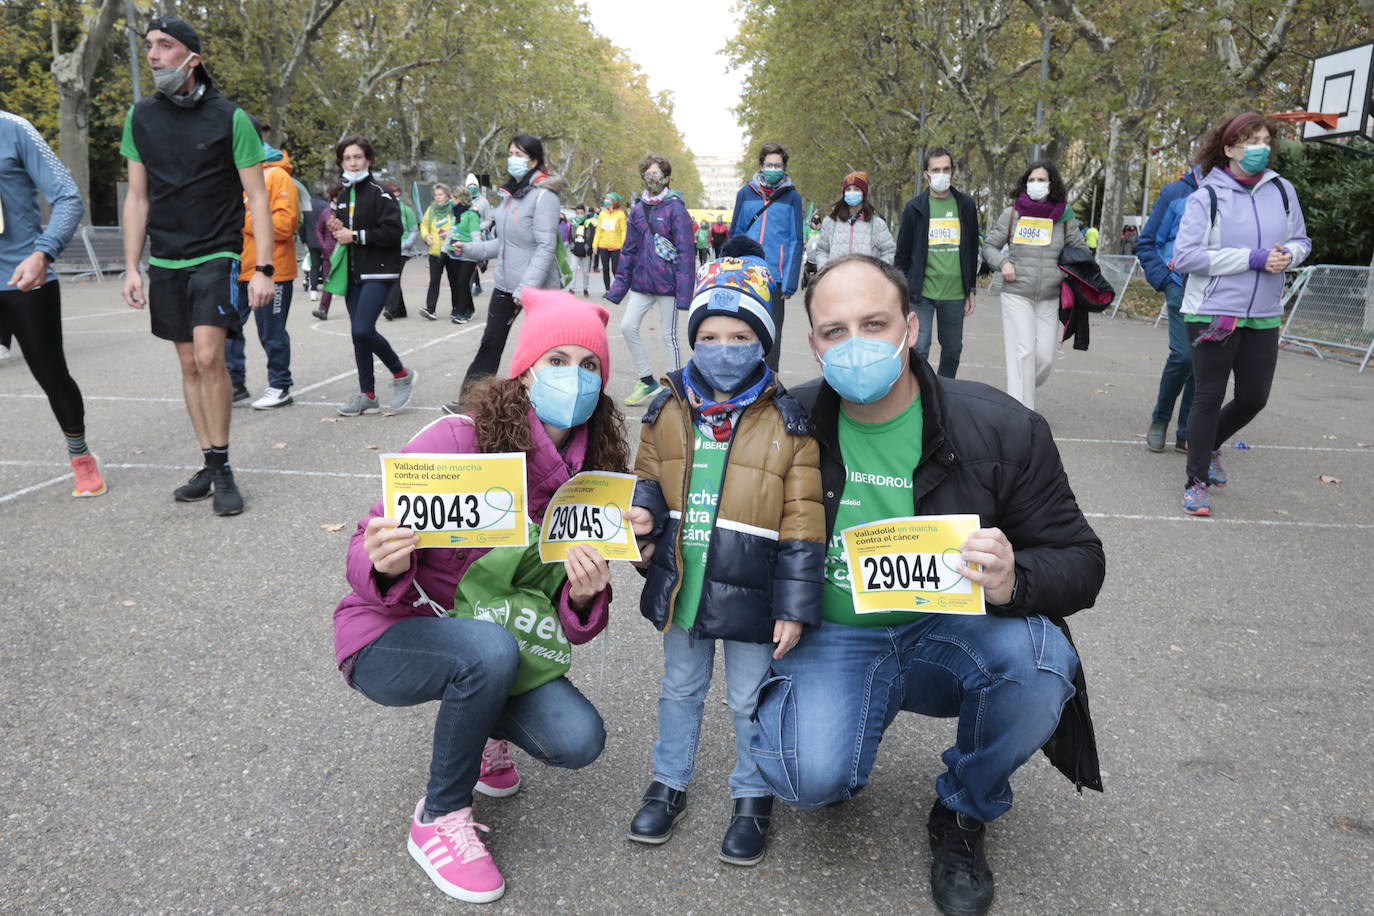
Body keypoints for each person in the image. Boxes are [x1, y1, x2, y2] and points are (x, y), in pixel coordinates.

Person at [752, 254, 1105, 916]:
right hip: (835, 635)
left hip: (953, 631)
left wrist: (1012, 578)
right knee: (809, 780)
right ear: (813, 345)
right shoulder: (784, 422)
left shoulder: (1001, 426)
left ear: (912, 328)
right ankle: (842, 711)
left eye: (875, 323)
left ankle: (965, 812)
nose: (855, 344)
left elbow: (1082, 559)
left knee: (1039, 664)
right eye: (835, 331)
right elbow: (728, 543)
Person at [335, 290, 626, 902]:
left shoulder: (595, 477)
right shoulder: (455, 440)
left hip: (497, 637)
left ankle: (485, 726)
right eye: (556, 360)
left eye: (589, 365)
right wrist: (384, 561)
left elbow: (571, 627)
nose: (573, 377)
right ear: (522, 373)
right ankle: (439, 817)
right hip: (391, 634)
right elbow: (365, 552)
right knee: (486, 650)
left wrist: (584, 597)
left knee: (578, 740)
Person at [625, 256, 824, 866]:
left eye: (740, 338)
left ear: (763, 341)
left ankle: (752, 793)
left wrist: (794, 606)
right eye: (709, 337)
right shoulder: (664, 409)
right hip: (683, 581)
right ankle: (669, 782)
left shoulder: (791, 422)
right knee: (680, 687)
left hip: (754, 590)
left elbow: (803, 521)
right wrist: (643, 522)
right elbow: (648, 482)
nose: (723, 349)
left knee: (748, 697)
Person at [120, 15, 275, 517]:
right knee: (188, 364)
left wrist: (265, 269)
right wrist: (130, 267)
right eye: (149, 46)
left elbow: (256, 195)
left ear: (193, 56)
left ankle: (225, 467)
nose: (153, 55)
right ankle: (209, 461)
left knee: (210, 358)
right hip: (165, 257)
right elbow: (137, 199)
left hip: (217, 251)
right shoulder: (139, 117)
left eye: (165, 46)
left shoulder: (231, 117)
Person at [1171, 111, 1309, 517]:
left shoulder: (1282, 191)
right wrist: (1252, 258)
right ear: (1229, 149)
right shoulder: (1206, 196)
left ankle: (1210, 445)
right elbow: (1187, 257)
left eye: (1265, 140)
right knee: (1209, 395)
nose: (1259, 148)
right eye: (1250, 141)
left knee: (1253, 397)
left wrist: (1290, 255)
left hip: (1264, 311)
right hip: (1214, 312)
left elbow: (1301, 239)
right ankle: (1196, 482)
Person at [1, 110, 104, 497]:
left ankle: (80, 457)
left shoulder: (14, 129)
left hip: (23, 276)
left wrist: (43, 253)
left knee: (51, 374)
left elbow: (67, 195)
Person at [448, 135, 564, 400]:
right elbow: (504, 243)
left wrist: (525, 288)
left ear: (534, 161)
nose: (513, 158)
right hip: (505, 283)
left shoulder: (545, 196)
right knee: (490, 343)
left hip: (539, 289)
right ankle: (470, 403)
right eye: (511, 153)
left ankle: (548, 402)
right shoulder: (510, 195)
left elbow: (545, 247)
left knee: (545, 350)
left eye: (520, 154)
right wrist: (468, 249)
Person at [980, 159, 1089, 409]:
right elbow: (989, 246)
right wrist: (1003, 263)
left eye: (1041, 180)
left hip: (1051, 295)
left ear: (1052, 184)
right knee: (1024, 353)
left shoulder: (1063, 216)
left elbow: (1080, 249)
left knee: (1044, 359)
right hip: (1017, 293)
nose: (1036, 184)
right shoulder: (1013, 213)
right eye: (1031, 180)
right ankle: (1022, 413)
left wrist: (1069, 270)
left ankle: (1022, 390)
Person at [324, 137, 417, 416]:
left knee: (363, 329)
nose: (353, 163)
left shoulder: (382, 192)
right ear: (341, 162)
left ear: (368, 160)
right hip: (352, 272)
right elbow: (346, 232)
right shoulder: (342, 194)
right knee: (358, 335)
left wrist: (354, 235)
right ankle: (368, 394)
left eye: (358, 157)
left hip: (379, 270)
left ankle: (401, 374)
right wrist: (337, 227)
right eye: (347, 158)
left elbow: (392, 232)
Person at [605, 153, 695, 407]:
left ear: (667, 178)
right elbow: (629, 250)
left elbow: (687, 252)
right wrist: (619, 286)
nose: (653, 178)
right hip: (642, 283)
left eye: (657, 174)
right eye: (648, 174)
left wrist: (685, 292)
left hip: (668, 285)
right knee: (627, 326)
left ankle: (675, 388)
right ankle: (647, 380)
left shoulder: (676, 208)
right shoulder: (636, 209)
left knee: (670, 337)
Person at [226, 118, 299, 411]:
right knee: (228, 329)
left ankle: (280, 386)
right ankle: (234, 384)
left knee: (271, 331)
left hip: (273, 270)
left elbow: (284, 224)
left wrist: (240, 220)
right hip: (238, 268)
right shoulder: (234, 176)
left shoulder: (277, 176)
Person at [894, 148, 981, 379]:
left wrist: (970, 288)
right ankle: (918, 393)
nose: (941, 174)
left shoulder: (966, 205)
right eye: (936, 170)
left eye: (946, 169)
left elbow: (972, 249)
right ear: (926, 174)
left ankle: (943, 392)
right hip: (922, 293)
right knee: (919, 348)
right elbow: (902, 255)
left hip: (954, 293)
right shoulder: (914, 208)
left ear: (952, 171)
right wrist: (902, 290)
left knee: (952, 350)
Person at [1137, 164, 1204, 454]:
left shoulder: (1234, 192)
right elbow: (1148, 241)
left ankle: (1187, 431)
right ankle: (1160, 419)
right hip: (1179, 282)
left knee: (1204, 360)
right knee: (1185, 354)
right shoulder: (1176, 192)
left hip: (1218, 288)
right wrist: (1164, 279)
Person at [729, 141, 804, 371]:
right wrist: (732, 271)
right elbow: (735, 234)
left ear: (784, 168)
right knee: (744, 329)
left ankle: (771, 382)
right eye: (769, 164)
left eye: (778, 165)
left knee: (773, 333)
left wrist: (790, 282)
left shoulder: (792, 197)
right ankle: (744, 377)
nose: (773, 169)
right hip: (747, 274)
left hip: (776, 278)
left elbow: (795, 241)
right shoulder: (745, 193)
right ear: (761, 166)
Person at [813, 172, 896, 271]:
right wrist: (824, 270)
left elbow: (889, 250)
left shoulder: (877, 224)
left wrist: (878, 272)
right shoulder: (830, 222)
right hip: (835, 281)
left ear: (863, 193)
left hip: (865, 281)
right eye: (848, 189)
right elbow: (822, 250)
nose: (852, 192)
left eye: (857, 189)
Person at [438, 186, 482, 324]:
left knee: (463, 283)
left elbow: (476, 237)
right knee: (458, 284)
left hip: (468, 254)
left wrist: (477, 254)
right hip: (453, 253)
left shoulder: (472, 215)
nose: (451, 200)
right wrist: (444, 251)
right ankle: (469, 308)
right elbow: (451, 233)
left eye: (453, 198)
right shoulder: (455, 214)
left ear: (460, 199)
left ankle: (462, 313)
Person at [419, 183, 463, 321]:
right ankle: (430, 309)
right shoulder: (431, 209)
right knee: (434, 280)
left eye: (441, 194)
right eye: (436, 195)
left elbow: (460, 225)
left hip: (451, 250)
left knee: (454, 280)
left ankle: (456, 309)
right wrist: (427, 236)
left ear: (447, 195)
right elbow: (424, 224)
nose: (438, 197)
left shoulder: (453, 208)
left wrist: (450, 234)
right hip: (435, 251)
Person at [382, 181, 417, 320]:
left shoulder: (406, 210)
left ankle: (390, 308)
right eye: (393, 195)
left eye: (398, 194)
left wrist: (407, 244)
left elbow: (414, 230)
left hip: (401, 250)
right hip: (387, 249)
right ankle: (400, 310)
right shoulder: (383, 211)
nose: (396, 198)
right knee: (393, 278)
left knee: (393, 278)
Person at [311, 187, 338, 321]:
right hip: (329, 251)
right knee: (328, 280)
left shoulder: (349, 211)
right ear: (333, 198)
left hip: (347, 250)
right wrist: (323, 245)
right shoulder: (326, 212)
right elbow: (318, 229)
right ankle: (323, 309)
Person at [465, 174, 493, 296]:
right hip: (465, 236)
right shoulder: (463, 201)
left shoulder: (484, 202)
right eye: (469, 185)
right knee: (470, 262)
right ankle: (477, 286)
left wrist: (478, 227)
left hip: (479, 236)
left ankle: (469, 287)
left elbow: (489, 220)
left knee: (473, 261)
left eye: (474, 185)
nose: (472, 187)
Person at [592, 192, 627, 291]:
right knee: (605, 269)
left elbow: (624, 231)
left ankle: (618, 289)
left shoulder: (620, 214)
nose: (606, 201)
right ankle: (607, 290)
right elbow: (598, 230)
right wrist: (595, 245)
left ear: (615, 201)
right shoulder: (602, 214)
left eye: (609, 199)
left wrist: (624, 245)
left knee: (615, 269)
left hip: (616, 246)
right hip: (603, 245)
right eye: (606, 198)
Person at [307, 181, 330, 301]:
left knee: (314, 265)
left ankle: (313, 290)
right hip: (325, 240)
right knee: (327, 264)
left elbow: (302, 224)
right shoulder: (326, 205)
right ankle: (328, 288)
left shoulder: (307, 204)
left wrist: (303, 238)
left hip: (311, 240)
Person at [569, 204, 595, 297]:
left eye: (581, 213)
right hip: (575, 250)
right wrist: (572, 247)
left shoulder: (588, 223)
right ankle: (572, 288)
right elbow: (570, 236)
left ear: (584, 213)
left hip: (586, 252)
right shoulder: (573, 223)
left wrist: (587, 248)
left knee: (585, 272)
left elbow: (591, 236)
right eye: (578, 213)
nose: (579, 214)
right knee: (573, 269)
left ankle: (585, 288)